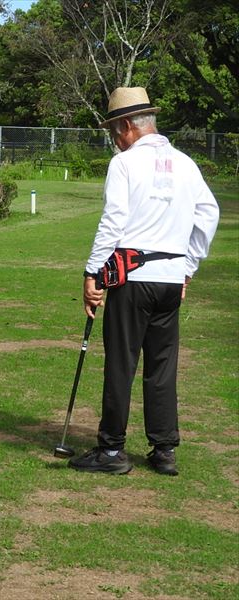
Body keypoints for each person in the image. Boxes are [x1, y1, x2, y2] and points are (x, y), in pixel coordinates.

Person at [70, 87, 219, 476]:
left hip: (132, 279)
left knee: (121, 362)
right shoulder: (186, 163)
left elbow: (113, 221)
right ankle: (164, 449)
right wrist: (187, 267)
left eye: (114, 132)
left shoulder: (124, 164)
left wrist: (92, 272)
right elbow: (208, 214)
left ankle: (112, 450)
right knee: (162, 365)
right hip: (170, 280)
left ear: (126, 126)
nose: (115, 140)